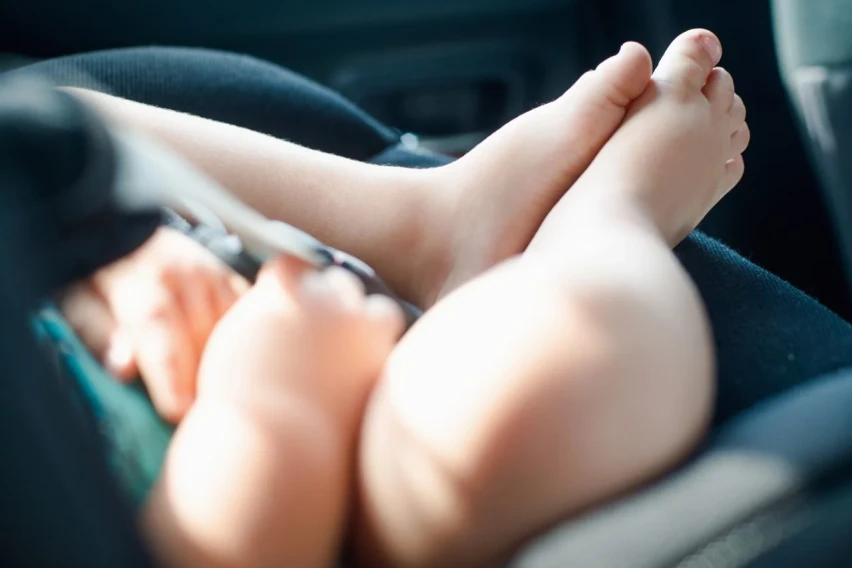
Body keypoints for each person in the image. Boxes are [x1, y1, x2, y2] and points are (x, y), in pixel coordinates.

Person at [60, 29, 748, 568]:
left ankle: (429, 227)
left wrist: (89, 238)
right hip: (273, 458)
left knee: (55, 119)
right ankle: (609, 209)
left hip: (90, 293)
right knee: (527, 407)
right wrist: (281, 402)